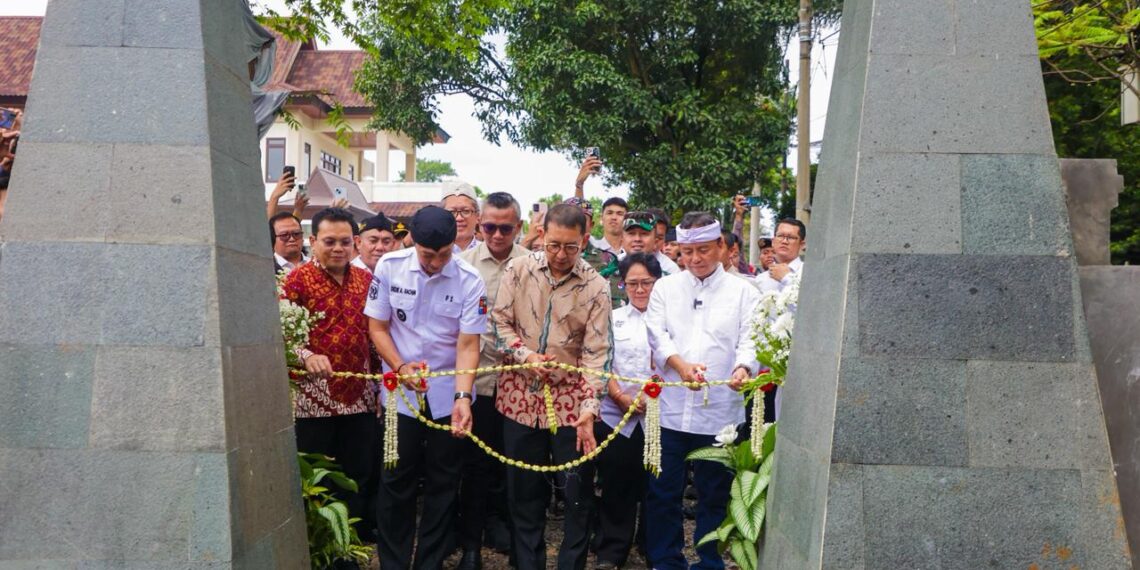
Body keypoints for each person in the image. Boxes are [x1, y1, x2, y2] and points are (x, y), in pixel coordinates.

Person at [491, 203, 613, 570]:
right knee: (523, 492)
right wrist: (526, 355)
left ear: (584, 241)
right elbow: (498, 325)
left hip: (572, 404)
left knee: (576, 493)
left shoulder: (596, 286)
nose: (561, 255)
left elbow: (598, 354)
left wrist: (590, 409)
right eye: (554, 244)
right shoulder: (519, 268)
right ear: (542, 235)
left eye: (570, 247)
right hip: (518, 398)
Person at [365, 205, 487, 570]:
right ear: (412, 242)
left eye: (444, 255)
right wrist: (400, 368)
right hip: (400, 395)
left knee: (443, 482)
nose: (436, 263)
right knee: (396, 480)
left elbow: (468, 345)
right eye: (427, 255)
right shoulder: (390, 268)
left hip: (448, 396)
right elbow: (378, 328)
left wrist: (463, 398)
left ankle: (429, 563)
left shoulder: (469, 279)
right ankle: (393, 563)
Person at [644, 211, 760, 570]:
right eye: (687, 252)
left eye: (704, 250)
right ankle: (666, 561)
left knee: (715, 494)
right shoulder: (665, 287)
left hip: (720, 414)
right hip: (672, 409)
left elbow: (751, 339)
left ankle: (709, 561)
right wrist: (680, 365)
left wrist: (743, 368)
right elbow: (657, 333)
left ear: (722, 247)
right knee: (663, 493)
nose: (694, 259)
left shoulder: (744, 291)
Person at [282, 208, 378, 540]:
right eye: (329, 241)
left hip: (360, 399)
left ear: (355, 243)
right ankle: (319, 547)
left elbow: (376, 336)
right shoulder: (296, 278)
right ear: (313, 241)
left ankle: (350, 545)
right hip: (313, 401)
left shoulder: (367, 280)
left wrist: (381, 385)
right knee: (317, 477)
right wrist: (306, 354)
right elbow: (280, 333)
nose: (338, 248)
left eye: (345, 241)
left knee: (358, 474)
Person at [455, 192, 530, 568]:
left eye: (505, 228)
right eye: (489, 227)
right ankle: (471, 545)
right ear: (479, 225)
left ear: (518, 227)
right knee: (476, 465)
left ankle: (515, 541)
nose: (497, 235)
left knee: (516, 465)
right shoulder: (464, 265)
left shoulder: (534, 265)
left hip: (522, 384)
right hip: (480, 382)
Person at [594, 252, 662, 570]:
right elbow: (601, 361)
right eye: (632, 283)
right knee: (616, 482)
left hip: (658, 416)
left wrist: (652, 399)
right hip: (616, 414)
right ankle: (612, 550)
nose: (639, 289)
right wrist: (620, 396)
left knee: (656, 484)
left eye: (645, 282)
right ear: (622, 285)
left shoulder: (669, 320)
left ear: (657, 282)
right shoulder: (613, 318)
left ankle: (653, 546)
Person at [565, 197, 624, 308]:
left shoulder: (608, 261)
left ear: (591, 225)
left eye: (581, 220)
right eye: (569, 219)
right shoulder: (544, 257)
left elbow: (616, 303)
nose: (575, 225)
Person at [620, 211, 682, 275]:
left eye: (644, 234)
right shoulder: (612, 268)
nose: (637, 239)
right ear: (621, 239)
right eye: (631, 233)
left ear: (655, 240)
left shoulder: (670, 272)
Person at [755, 218, 806, 294]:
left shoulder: (809, 272)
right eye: (780, 236)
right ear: (773, 241)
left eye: (791, 237)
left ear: (802, 244)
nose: (784, 241)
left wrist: (787, 278)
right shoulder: (760, 279)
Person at [442, 180, 482, 252]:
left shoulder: (488, 253)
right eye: (452, 212)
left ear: (477, 216)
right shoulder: (432, 254)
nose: (459, 218)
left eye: (466, 211)